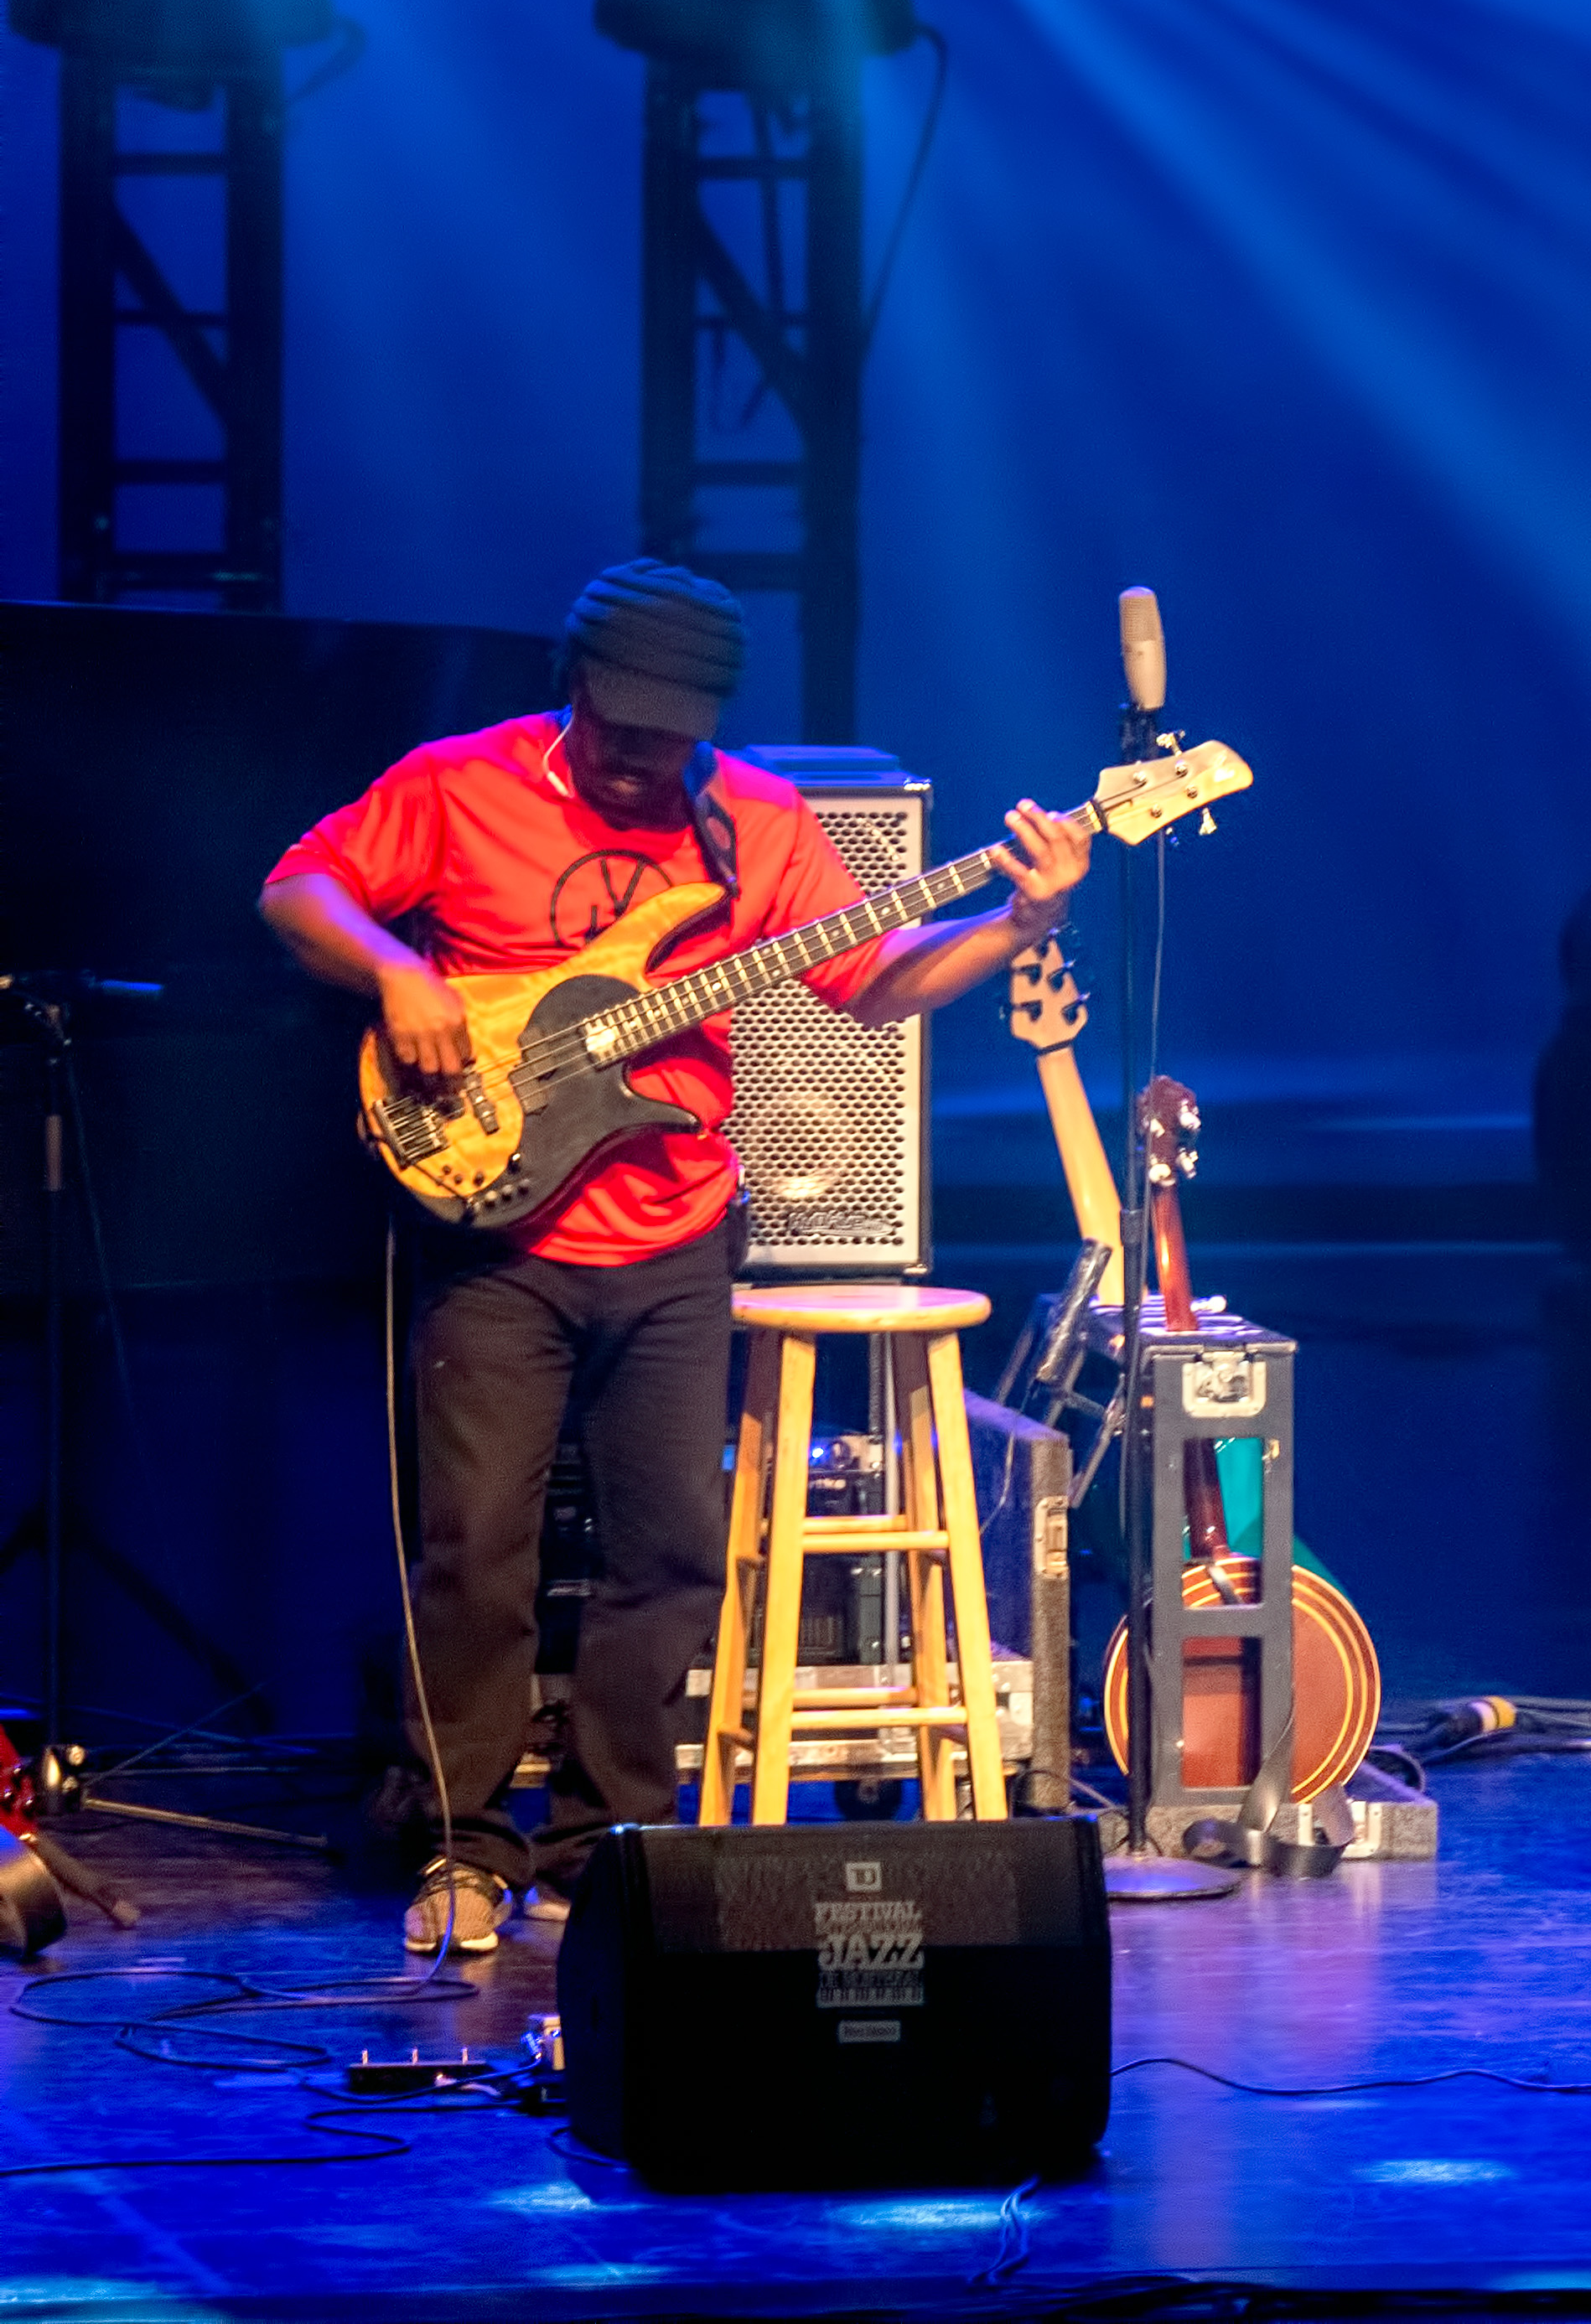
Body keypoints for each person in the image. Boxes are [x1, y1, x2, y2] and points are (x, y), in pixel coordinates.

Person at [261, 562, 1096, 1955]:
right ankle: (462, 1846)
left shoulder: (755, 821)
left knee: (669, 1557)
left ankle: (608, 1847)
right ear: (570, 687)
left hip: (674, 1228)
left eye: (674, 732)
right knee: (475, 1554)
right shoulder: (461, 783)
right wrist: (398, 971)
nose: (646, 759)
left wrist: (1020, 920)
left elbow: (871, 978)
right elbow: (298, 891)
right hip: (495, 1225)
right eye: (622, 727)